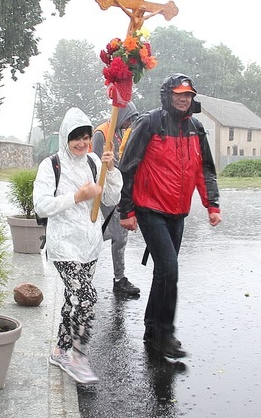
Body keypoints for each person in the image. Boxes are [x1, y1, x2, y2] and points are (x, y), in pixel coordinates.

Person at [118, 74, 221, 362]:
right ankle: (165, 334)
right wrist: (126, 210)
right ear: (167, 95)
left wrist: (212, 204)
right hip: (150, 208)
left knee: (164, 272)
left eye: (187, 94)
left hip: (178, 213)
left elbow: (205, 170)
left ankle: (152, 331)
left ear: (192, 98)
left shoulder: (196, 129)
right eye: (178, 93)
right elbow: (128, 166)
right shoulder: (150, 122)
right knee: (169, 269)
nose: (183, 98)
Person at [33, 107, 122, 385]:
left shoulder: (94, 161)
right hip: (63, 246)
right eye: (76, 138)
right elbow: (42, 205)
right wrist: (77, 195)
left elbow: (111, 196)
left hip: (90, 245)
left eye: (86, 137)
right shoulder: (52, 165)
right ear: (66, 138)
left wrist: (111, 168)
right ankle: (77, 357)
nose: (82, 143)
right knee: (85, 297)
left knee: (73, 300)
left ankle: (60, 350)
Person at [91, 101, 140, 296]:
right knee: (119, 234)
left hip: (117, 187)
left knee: (117, 233)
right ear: (120, 116)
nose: (129, 123)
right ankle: (119, 280)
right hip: (102, 189)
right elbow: (95, 164)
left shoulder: (120, 132)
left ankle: (86, 240)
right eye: (128, 118)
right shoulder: (102, 133)